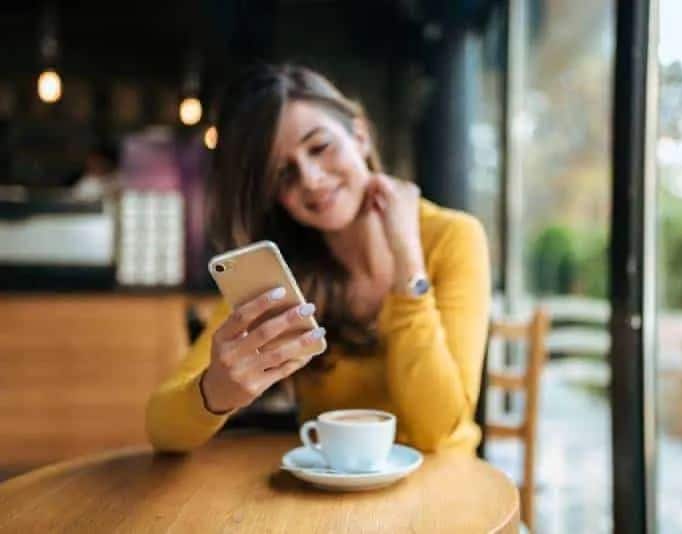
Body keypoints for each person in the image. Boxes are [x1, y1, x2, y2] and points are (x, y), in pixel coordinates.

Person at [145, 63, 490, 454]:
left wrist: (407, 256)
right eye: (284, 174)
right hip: (333, 497)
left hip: (446, 489)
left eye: (320, 148)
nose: (310, 179)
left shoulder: (452, 237)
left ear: (359, 134)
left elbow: (437, 431)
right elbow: (162, 427)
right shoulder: (285, 270)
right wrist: (216, 391)